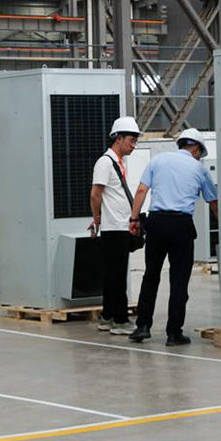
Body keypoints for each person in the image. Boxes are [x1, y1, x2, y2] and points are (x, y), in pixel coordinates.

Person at [128, 128, 218, 346]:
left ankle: (143, 326)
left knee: (151, 276)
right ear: (196, 149)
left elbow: (141, 191)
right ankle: (174, 333)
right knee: (179, 281)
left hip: (156, 223)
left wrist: (134, 219)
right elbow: (212, 201)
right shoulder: (199, 169)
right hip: (181, 225)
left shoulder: (158, 160)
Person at [90, 116, 142, 336]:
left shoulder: (118, 163)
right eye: (131, 140)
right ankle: (120, 320)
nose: (133, 145)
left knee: (113, 275)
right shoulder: (105, 163)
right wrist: (97, 218)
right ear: (118, 138)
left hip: (119, 226)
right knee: (117, 276)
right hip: (114, 228)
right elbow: (95, 194)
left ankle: (108, 316)